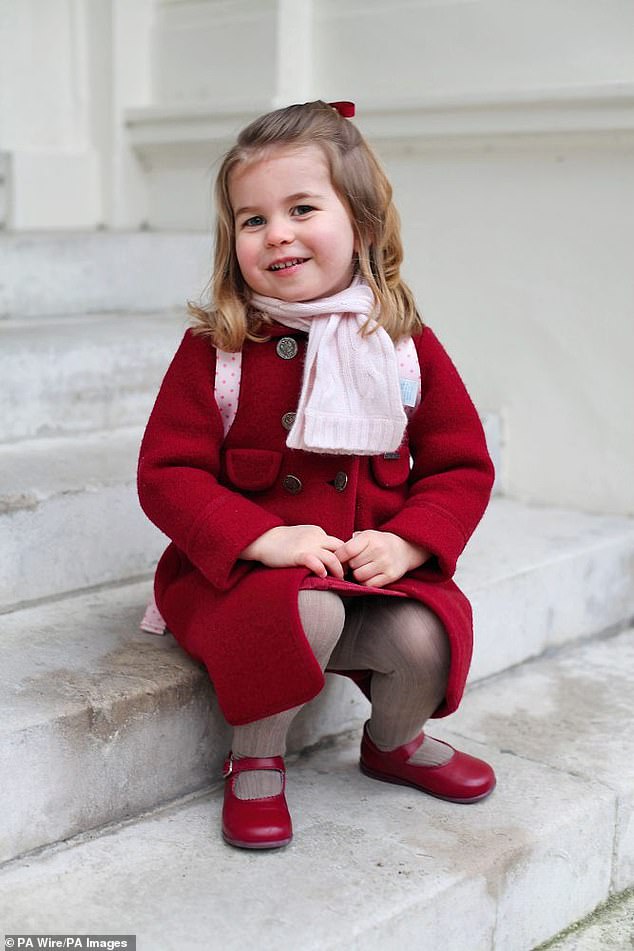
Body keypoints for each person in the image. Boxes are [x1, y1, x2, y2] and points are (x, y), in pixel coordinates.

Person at [138, 99, 496, 851]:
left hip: (368, 573)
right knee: (310, 613)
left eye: (302, 207)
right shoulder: (221, 350)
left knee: (427, 632)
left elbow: (461, 464)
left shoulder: (400, 343)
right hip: (251, 580)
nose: (278, 234)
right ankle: (256, 757)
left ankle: (393, 742)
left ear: (360, 223)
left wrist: (408, 544)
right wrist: (261, 537)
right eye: (252, 219)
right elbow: (167, 473)